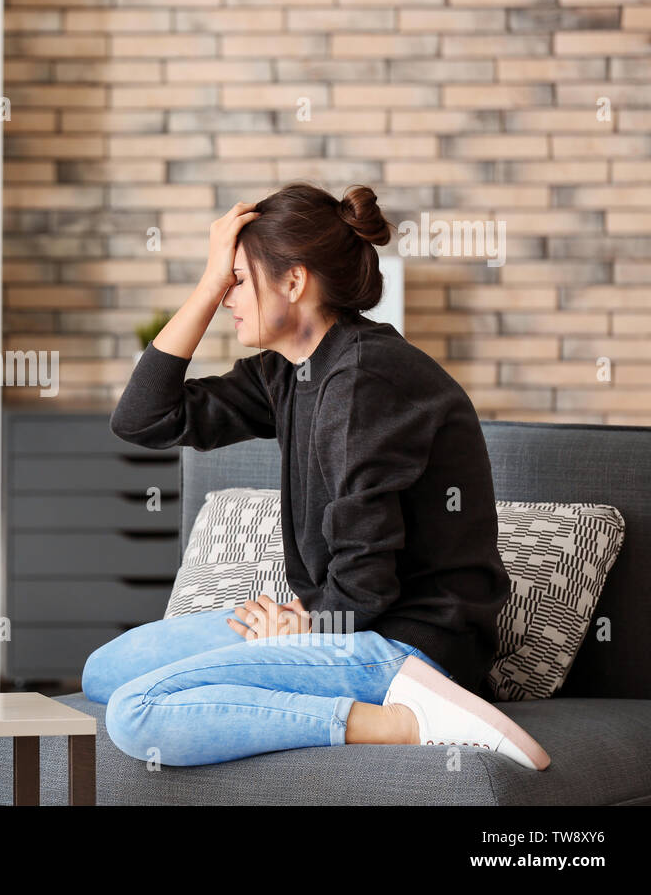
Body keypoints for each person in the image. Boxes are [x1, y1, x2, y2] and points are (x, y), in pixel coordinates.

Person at [84, 183, 550, 771]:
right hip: (341, 625)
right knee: (103, 672)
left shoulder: (366, 380)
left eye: (236, 281)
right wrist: (207, 282)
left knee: (137, 710)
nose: (228, 298)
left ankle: (406, 721)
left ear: (294, 282)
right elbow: (145, 419)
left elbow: (367, 576)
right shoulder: (288, 371)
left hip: (406, 647)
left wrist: (304, 627)